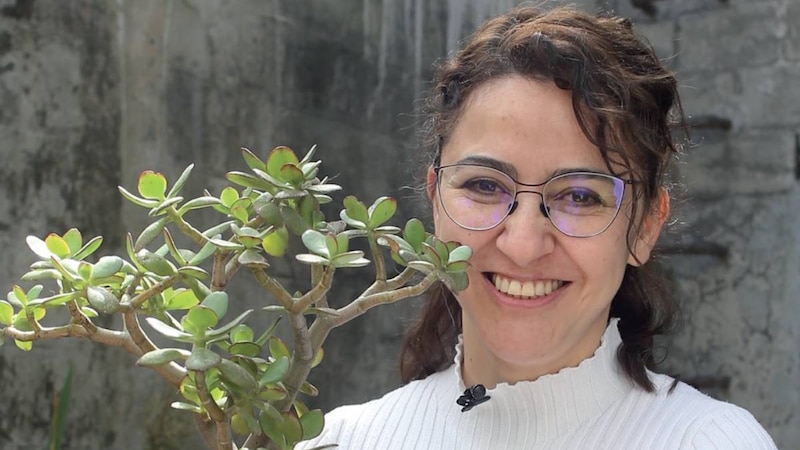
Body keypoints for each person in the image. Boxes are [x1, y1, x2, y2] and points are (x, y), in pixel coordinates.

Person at [297, 5, 777, 449]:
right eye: (485, 186)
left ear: (646, 226)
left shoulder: (710, 441)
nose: (523, 245)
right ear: (435, 200)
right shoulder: (346, 440)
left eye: (581, 196)